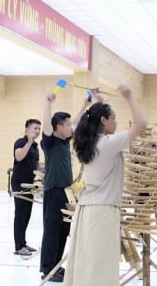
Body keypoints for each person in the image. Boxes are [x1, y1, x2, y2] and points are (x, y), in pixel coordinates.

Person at [63, 84, 146, 286]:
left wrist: (99, 102)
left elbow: (96, 120)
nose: (116, 122)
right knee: (99, 268)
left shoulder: (88, 143)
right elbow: (141, 125)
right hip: (101, 211)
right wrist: (129, 96)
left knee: (88, 263)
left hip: (88, 210)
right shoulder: (107, 144)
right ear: (103, 121)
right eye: (114, 118)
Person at [39, 91, 89, 282]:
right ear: (58, 128)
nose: (71, 128)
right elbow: (46, 125)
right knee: (52, 230)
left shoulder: (64, 140)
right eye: (67, 125)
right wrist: (48, 103)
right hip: (53, 191)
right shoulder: (50, 142)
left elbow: (74, 123)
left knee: (63, 230)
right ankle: (47, 269)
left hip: (67, 192)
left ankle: (57, 266)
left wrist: (84, 105)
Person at [11, 118, 42, 257]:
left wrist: (50, 166)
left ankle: (23, 243)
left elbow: (35, 165)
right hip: (19, 182)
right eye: (35, 128)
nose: (37, 131)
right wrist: (29, 142)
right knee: (20, 214)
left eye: (38, 129)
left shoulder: (35, 146)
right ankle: (18, 246)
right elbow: (19, 157)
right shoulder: (21, 142)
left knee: (27, 214)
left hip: (30, 182)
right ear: (26, 130)